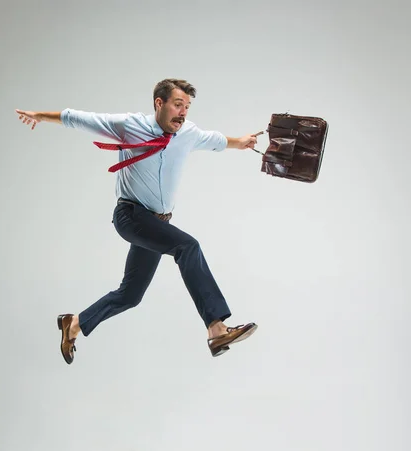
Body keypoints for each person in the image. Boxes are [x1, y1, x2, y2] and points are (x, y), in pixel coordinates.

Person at [15, 78, 260, 363]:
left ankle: (74, 324)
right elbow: (79, 119)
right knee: (187, 247)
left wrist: (241, 142)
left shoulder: (188, 133)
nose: (183, 112)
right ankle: (217, 328)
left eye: (187, 107)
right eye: (178, 105)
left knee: (130, 295)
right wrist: (40, 116)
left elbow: (215, 140)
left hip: (157, 225)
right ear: (160, 103)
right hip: (131, 216)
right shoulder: (130, 125)